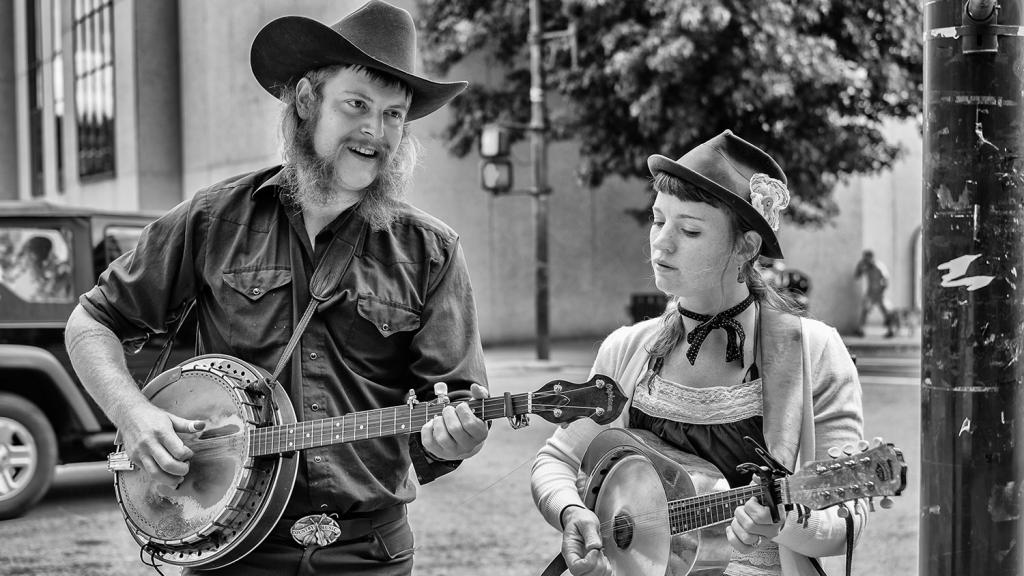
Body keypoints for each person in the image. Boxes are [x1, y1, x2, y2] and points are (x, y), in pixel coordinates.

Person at [63, 2, 489, 574]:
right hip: (231, 548)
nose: (375, 130)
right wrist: (135, 415)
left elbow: (452, 406)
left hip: (368, 552)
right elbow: (91, 323)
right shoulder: (214, 219)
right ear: (308, 102)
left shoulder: (431, 251)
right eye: (357, 105)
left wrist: (451, 442)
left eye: (393, 115)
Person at [531, 130, 867, 576]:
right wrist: (573, 513)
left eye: (689, 229)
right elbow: (556, 459)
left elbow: (846, 515)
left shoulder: (813, 350)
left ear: (746, 246)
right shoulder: (627, 349)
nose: (662, 242)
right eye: (657, 220)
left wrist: (783, 520)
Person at [854, 249, 894, 337]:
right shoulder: (866, 267)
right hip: (870, 293)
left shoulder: (879, 266)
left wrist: (883, 290)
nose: (866, 261)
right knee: (865, 310)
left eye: (867, 259)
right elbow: (857, 275)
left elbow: (886, 279)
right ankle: (860, 329)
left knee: (886, 311)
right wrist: (860, 266)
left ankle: (891, 330)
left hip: (879, 292)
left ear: (871, 258)